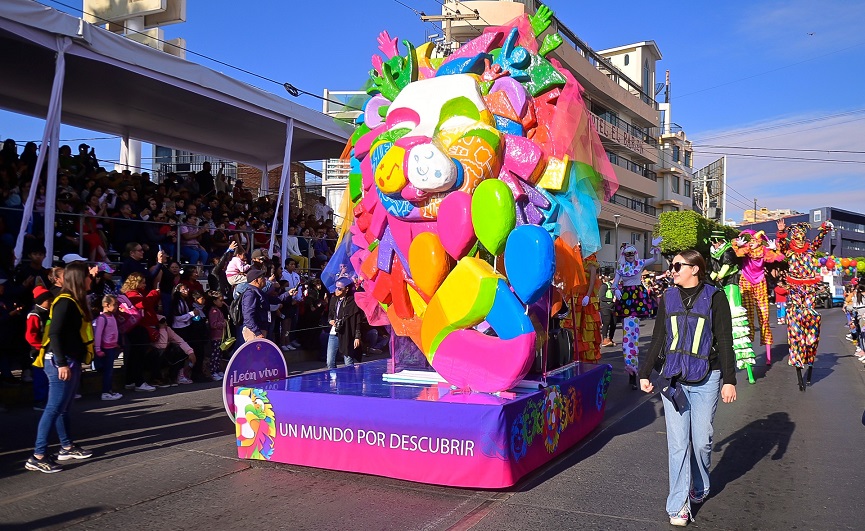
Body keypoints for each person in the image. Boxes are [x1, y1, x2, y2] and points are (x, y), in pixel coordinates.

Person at [639, 249, 737, 526]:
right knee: (678, 444)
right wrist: (645, 372)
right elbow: (659, 338)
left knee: (702, 440)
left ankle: (700, 485)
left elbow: (725, 340)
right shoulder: (667, 298)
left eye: (678, 265)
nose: (673, 269)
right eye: (672, 265)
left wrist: (729, 379)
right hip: (674, 380)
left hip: (708, 378)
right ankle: (678, 505)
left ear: (695, 268)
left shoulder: (715, 298)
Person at [27, 262, 96, 473]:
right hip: (59, 361)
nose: (91, 280)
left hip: (70, 360)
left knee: (63, 408)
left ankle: (66, 447)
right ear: (79, 279)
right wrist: (62, 364)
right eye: (88, 276)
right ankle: (37, 455)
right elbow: (54, 334)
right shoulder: (64, 302)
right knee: (53, 408)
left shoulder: (74, 301)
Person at [775, 219, 833, 389]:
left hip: (809, 289)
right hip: (794, 288)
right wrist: (781, 231)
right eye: (796, 235)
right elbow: (781, 244)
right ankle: (797, 354)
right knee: (795, 323)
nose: (799, 238)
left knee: (810, 320)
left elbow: (820, 238)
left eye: (801, 235)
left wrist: (824, 228)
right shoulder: (788, 249)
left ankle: (809, 350)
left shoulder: (811, 248)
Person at [612, 238, 663, 389]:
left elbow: (654, 258)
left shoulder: (640, 263)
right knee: (629, 333)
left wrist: (655, 246)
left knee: (633, 332)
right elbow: (615, 283)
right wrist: (616, 290)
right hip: (627, 298)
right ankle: (631, 366)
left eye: (632, 253)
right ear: (624, 254)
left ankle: (632, 367)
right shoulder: (620, 267)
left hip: (637, 297)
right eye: (627, 254)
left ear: (635, 253)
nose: (630, 256)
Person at [240, 269, 295, 342]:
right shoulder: (250, 294)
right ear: (256, 280)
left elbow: (276, 299)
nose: (265, 279)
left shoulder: (260, 292)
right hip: (254, 332)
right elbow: (248, 316)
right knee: (256, 353)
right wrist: (257, 332)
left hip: (261, 329)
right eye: (262, 277)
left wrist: (288, 294)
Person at [326, 277, 364, 369]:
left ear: (346, 289)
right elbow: (330, 314)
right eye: (336, 288)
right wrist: (331, 320)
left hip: (347, 332)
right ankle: (333, 381)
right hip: (334, 332)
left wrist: (357, 337)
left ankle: (350, 381)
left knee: (348, 361)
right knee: (330, 361)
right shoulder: (334, 299)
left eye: (339, 288)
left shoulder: (353, 301)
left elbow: (358, 320)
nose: (337, 290)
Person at [25, 285, 54, 410]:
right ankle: (39, 401)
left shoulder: (47, 313)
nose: (50, 302)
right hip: (38, 351)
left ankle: (46, 399)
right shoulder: (34, 315)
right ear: (41, 300)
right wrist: (40, 346)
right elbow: (30, 335)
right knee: (40, 377)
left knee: (47, 376)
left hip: (47, 349)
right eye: (48, 300)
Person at [93, 294, 123, 401]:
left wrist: (116, 344)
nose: (116, 307)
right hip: (106, 349)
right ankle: (106, 392)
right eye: (114, 304)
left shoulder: (111, 317)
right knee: (108, 371)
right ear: (106, 305)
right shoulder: (102, 318)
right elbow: (98, 334)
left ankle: (109, 390)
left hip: (112, 347)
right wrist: (98, 349)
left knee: (110, 371)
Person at [599, 275, 616, 347]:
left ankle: (610, 338)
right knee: (606, 322)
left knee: (614, 323)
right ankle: (604, 339)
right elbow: (601, 297)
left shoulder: (616, 287)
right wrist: (611, 300)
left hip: (613, 308)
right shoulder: (604, 286)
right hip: (605, 307)